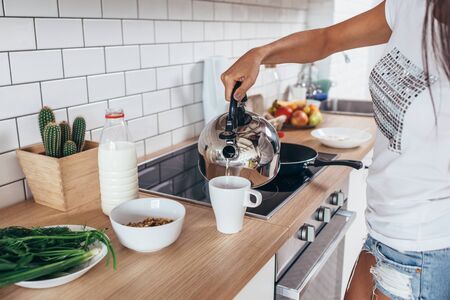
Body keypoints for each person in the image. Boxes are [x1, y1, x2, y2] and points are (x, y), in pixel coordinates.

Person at [221, 1, 450, 299]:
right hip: (382, 232)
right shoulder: (411, 5)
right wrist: (260, 54)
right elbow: (328, 39)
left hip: (423, 248)